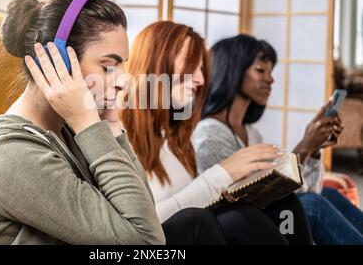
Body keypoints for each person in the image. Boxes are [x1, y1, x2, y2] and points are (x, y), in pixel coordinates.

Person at [0, 0, 223, 245]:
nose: (123, 81)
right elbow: (146, 242)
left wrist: (110, 124)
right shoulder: (10, 155)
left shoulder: (67, 133)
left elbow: (144, 213)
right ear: (59, 63)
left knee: (207, 223)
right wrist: (90, 123)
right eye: (108, 66)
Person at [120, 21, 313, 245]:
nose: (201, 79)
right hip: (159, 241)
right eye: (191, 64)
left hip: (201, 230)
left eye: (202, 68)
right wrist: (223, 173)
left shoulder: (174, 136)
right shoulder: (120, 136)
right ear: (157, 62)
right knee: (239, 219)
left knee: (283, 205)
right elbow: (141, 225)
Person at [194, 34, 363, 245]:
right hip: (238, 225)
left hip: (265, 216)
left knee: (326, 194)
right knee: (310, 206)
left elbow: (303, 190)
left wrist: (313, 149)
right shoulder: (209, 134)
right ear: (233, 71)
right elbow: (241, 200)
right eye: (260, 70)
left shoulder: (252, 134)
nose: (271, 79)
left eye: (271, 71)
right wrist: (303, 147)